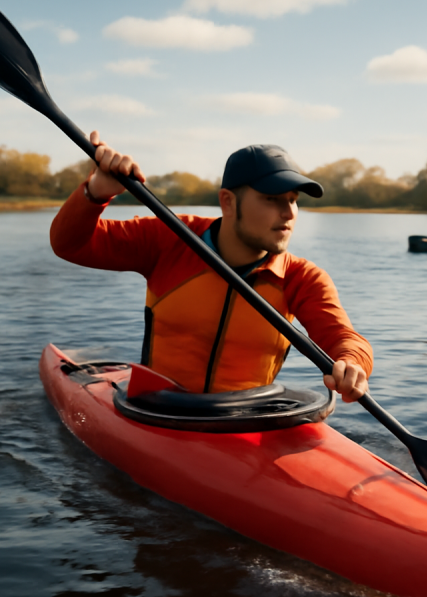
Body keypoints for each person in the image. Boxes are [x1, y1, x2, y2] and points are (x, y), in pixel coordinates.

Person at [50, 134, 373, 402]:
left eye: (293, 199)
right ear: (228, 202)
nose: (288, 213)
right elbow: (70, 244)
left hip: (244, 417)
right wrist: (96, 192)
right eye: (272, 199)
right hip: (157, 410)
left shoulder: (301, 278)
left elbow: (344, 338)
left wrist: (351, 363)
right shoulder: (169, 238)